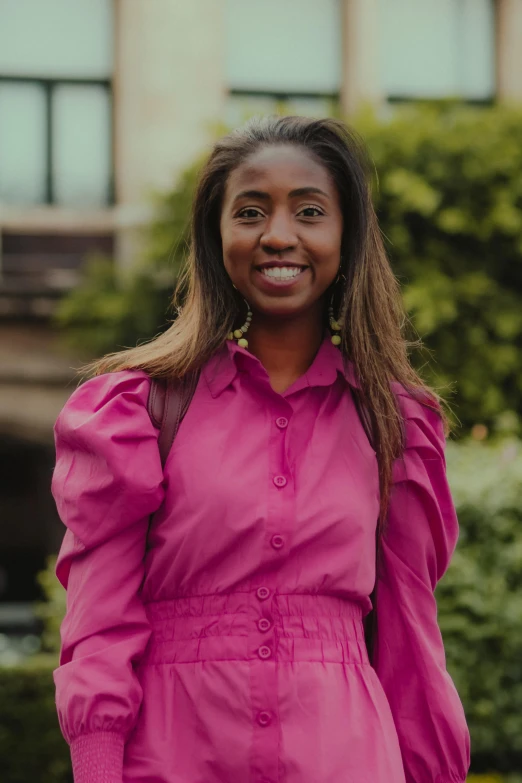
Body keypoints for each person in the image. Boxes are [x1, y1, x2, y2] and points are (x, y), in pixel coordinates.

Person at [51, 115, 471, 783]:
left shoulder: (394, 424)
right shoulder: (138, 409)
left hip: (349, 757)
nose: (279, 235)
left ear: (346, 236)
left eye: (309, 211)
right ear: (218, 236)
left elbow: (411, 645)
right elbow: (97, 625)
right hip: (173, 757)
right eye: (250, 211)